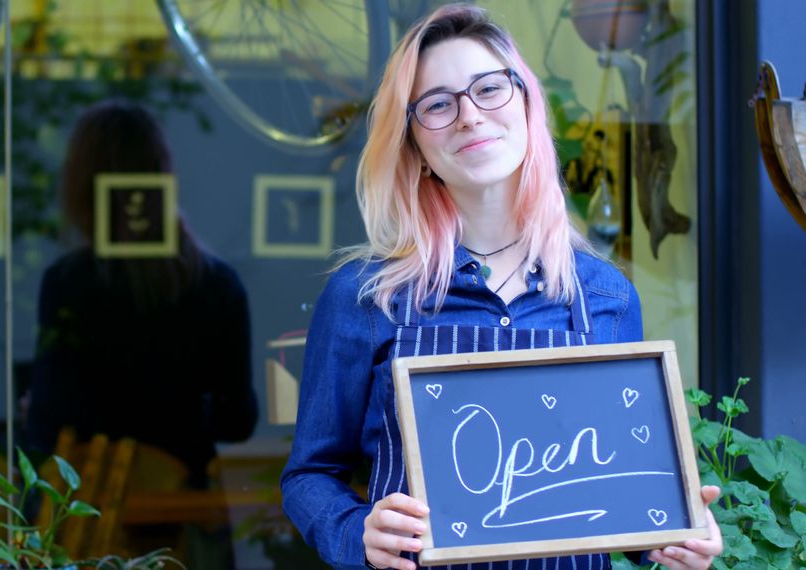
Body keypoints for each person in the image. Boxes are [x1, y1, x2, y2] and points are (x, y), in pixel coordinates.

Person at [279, 6, 722, 570]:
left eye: (489, 89)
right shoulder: (367, 297)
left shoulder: (605, 297)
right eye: (438, 103)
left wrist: (674, 531)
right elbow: (310, 475)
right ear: (414, 146)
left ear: (528, 106)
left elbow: (618, 490)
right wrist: (355, 531)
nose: (469, 115)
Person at [24, 99, 258, 490]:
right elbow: (237, 420)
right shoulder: (217, 284)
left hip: (94, 514)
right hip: (183, 516)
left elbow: (48, 424)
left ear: (82, 186)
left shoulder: (69, 284)